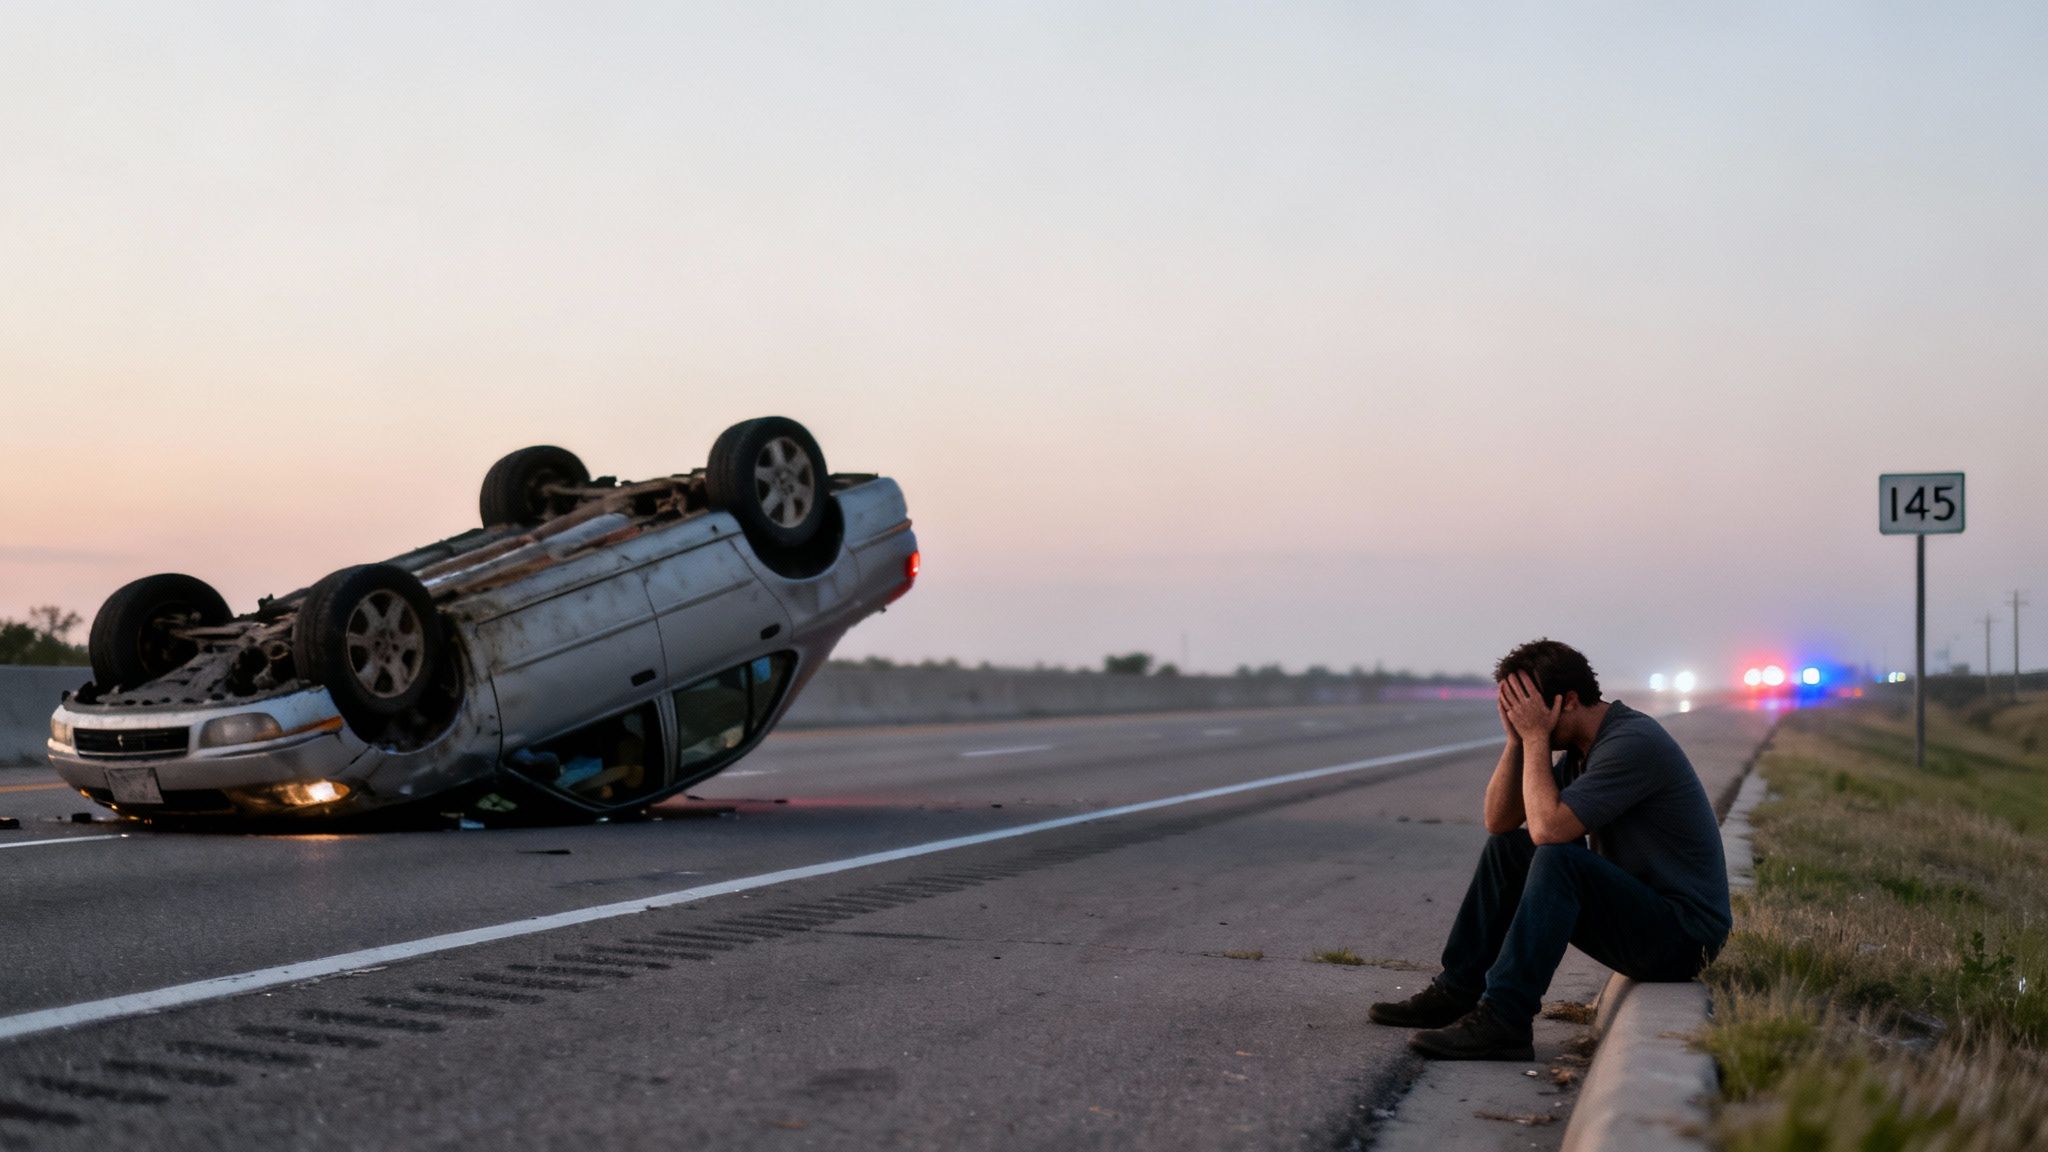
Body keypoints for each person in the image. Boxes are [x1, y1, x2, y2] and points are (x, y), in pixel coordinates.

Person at [1367, 639, 1731, 1060]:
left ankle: (1506, 1019)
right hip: (1648, 920)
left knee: (1559, 858)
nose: (1522, 718)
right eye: (1512, 708)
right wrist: (1517, 742)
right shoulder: (1580, 750)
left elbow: (1549, 830)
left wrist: (1536, 738)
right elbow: (1499, 821)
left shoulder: (1631, 742)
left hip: (1684, 937)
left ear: (1569, 701)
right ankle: (1458, 991)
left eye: (1528, 707)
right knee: (1510, 849)